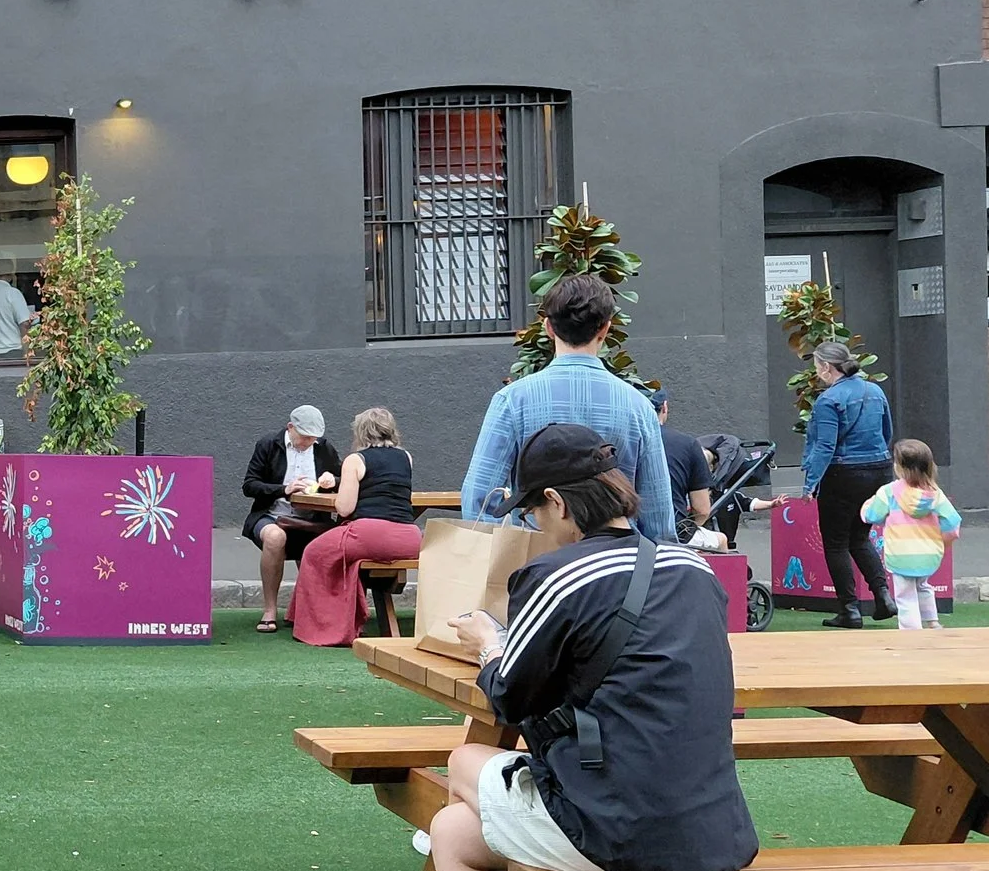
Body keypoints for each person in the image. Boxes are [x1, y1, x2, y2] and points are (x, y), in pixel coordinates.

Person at [402, 424, 756, 871]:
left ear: (559, 504)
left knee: (464, 765)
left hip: (623, 833)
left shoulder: (555, 574)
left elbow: (506, 693)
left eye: (535, 509)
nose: (536, 522)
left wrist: (487, 638)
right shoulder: (693, 568)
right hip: (719, 831)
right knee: (454, 825)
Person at [459, 275, 673, 544]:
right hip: (617, 562)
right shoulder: (639, 407)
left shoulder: (512, 401)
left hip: (536, 560)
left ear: (548, 327)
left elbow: (480, 497)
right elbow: (657, 509)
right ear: (605, 330)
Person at [288, 408, 426, 648]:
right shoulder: (406, 456)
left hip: (370, 534)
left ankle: (320, 624)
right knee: (344, 555)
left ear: (361, 432)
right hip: (409, 537)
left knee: (313, 553)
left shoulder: (356, 460)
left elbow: (344, 507)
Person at [803, 338, 899, 628]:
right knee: (860, 537)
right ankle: (883, 595)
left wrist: (810, 483)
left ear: (825, 368)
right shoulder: (875, 390)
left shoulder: (828, 400)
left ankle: (849, 610)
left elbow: (824, 446)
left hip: (841, 474)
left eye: (817, 365)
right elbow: (887, 432)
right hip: (878, 470)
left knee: (836, 543)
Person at [242, 407, 340, 633]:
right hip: (271, 515)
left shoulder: (323, 448)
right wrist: (284, 489)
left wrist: (331, 480)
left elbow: (345, 477)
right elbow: (249, 485)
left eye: (313, 438)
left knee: (330, 540)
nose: (308, 442)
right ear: (290, 428)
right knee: (276, 537)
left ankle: (312, 612)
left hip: (313, 518)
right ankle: (270, 610)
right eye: (304, 437)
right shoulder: (268, 445)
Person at [861, 440, 959, 632]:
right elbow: (952, 523)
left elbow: (872, 515)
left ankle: (911, 632)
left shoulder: (889, 492)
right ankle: (932, 621)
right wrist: (943, 540)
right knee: (923, 585)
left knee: (905, 596)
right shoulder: (935, 494)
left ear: (899, 467)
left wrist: (867, 506)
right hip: (928, 553)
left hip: (901, 554)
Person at [646, 388, 713, 543]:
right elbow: (702, 510)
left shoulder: (622, 439)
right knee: (721, 540)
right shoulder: (688, 444)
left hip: (628, 533)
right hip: (674, 532)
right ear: (664, 407)